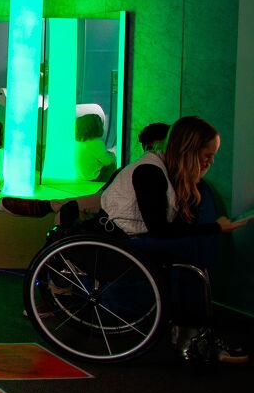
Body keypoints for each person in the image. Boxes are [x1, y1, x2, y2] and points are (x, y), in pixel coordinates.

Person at [99, 116, 248, 364]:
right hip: (120, 242)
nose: (210, 161)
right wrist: (214, 228)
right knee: (188, 258)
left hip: (134, 237)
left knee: (191, 253)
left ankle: (192, 333)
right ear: (189, 151)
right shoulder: (150, 172)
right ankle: (191, 337)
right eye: (206, 155)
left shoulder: (167, 170)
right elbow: (159, 229)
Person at [1, 122, 171, 219]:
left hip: (114, 204)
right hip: (111, 198)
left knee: (86, 201)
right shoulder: (152, 168)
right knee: (109, 181)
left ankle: (46, 206)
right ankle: (47, 206)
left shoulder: (151, 169)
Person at [74, 113, 116, 182]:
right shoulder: (96, 143)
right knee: (112, 166)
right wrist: (113, 156)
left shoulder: (77, 143)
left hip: (80, 176)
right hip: (93, 177)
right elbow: (107, 161)